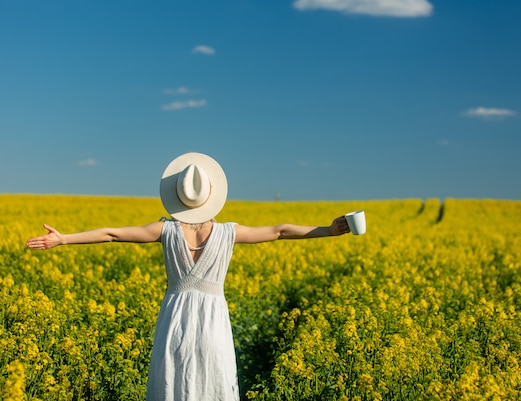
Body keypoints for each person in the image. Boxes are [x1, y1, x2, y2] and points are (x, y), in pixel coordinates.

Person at [26, 152, 352, 401]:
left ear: (178, 197)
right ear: (212, 195)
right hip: (213, 320)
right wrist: (328, 230)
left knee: (173, 384)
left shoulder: (165, 230)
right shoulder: (228, 232)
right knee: (214, 383)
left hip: (174, 318)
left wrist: (64, 238)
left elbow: (111, 234)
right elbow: (280, 232)